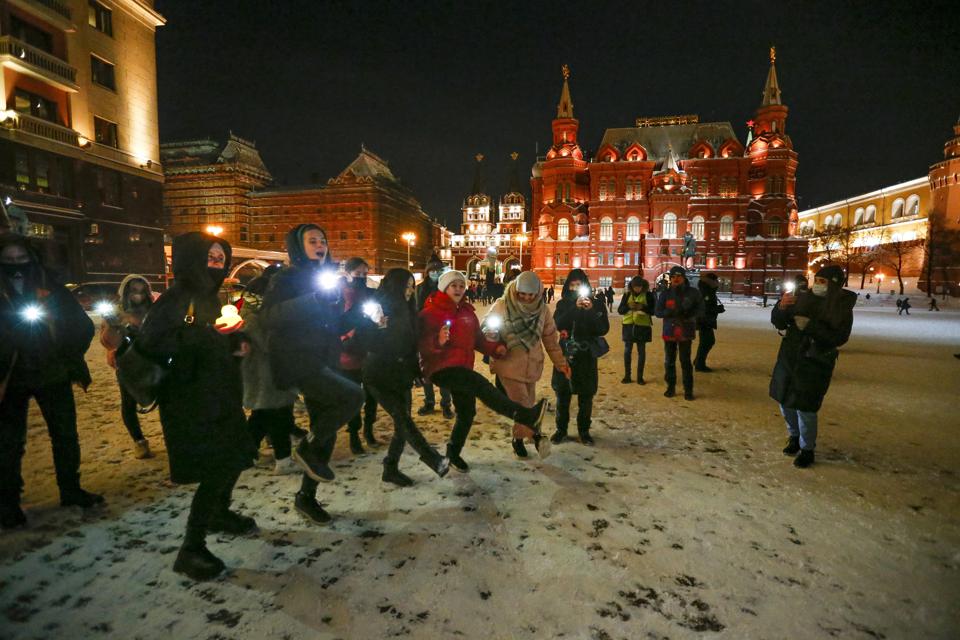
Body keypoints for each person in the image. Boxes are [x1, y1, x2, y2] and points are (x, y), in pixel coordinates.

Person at [136, 232, 255, 580]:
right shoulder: (176, 299)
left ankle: (219, 513)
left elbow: (213, 334)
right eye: (209, 257)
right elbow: (157, 343)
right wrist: (212, 335)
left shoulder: (207, 297)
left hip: (220, 395)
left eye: (220, 258)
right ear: (191, 260)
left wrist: (237, 341)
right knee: (217, 467)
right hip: (191, 401)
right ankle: (191, 548)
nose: (216, 264)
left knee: (236, 456)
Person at [263, 224, 364, 525]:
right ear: (298, 246)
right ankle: (305, 447)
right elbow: (269, 316)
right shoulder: (286, 278)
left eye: (323, 240)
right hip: (298, 360)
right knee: (353, 396)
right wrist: (313, 299)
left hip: (325, 359)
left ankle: (306, 497)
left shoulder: (328, 280)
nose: (320, 245)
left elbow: (332, 325)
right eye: (312, 240)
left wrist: (360, 316)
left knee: (325, 431)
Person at [0, 233, 102, 530]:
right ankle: (8, 503)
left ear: (32, 259)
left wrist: (65, 355)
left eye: (21, 258)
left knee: (65, 435)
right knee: (9, 442)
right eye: (8, 260)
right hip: (11, 377)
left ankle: (71, 489)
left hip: (51, 372)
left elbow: (80, 325)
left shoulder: (50, 286)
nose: (16, 265)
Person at [419, 270, 547, 472]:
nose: (458, 289)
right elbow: (421, 345)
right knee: (482, 385)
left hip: (462, 368)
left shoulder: (467, 312)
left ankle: (453, 454)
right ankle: (525, 415)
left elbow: (478, 339)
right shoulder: (430, 312)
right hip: (441, 367)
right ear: (444, 288)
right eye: (454, 286)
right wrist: (438, 341)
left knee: (467, 411)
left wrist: (495, 349)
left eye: (461, 286)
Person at [357, 268, 449, 486]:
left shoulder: (409, 310)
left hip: (401, 374)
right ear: (394, 285)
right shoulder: (378, 306)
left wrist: (416, 372)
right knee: (402, 419)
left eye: (411, 286)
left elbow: (410, 345)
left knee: (402, 422)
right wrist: (374, 325)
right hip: (378, 373)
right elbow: (362, 340)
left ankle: (390, 467)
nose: (409, 291)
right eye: (405, 286)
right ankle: (432, 458)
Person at [769, 265, 856, 468]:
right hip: (790, 357)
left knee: (805, 407)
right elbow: (779, 322)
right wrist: (781, 307)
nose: (817, 284)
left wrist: (811, 326)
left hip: (815, 362)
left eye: (822, 282)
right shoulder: (802, 297)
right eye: (816, 280)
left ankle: (807, 448)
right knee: (784, 400)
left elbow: (839, 337)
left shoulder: (841, 307)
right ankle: (794, 436)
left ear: (834, 285)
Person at [483, 271, 570, 459]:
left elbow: (550, 339)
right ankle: (537, 437)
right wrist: (492, 337)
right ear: (516, 290)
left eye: (531, 294)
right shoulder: (502, 305)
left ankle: (518, 439)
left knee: (528, 405)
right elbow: (486, 328)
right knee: (522, 403)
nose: (527, 298)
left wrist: (561, 363)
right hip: (508, 364)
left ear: (538, 293)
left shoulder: (542, 310)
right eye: (523, 293)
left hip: (532, 365)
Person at [239, 264, 301, 475]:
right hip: (266, 374)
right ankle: (283, 460)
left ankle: (246, 454)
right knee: (278, 416)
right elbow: (266, 343)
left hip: (267, 373)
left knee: (261, 417)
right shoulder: (253, 316)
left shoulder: (251, 312)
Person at [549, 269, 610, 445]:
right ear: (568, 286)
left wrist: (591, 311)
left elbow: (602, 328)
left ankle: (584, 431)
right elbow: (558, 324)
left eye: (579, 285)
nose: (576, 288)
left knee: (586, 395)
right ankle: (561, 430)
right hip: (566, 354)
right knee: (563, 394)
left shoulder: (597, 304)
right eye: (572, 285)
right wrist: (574, 308)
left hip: (586, 355)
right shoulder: (563, 304)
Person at [99, 274, 156, 459]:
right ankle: (139, 441)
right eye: (133, 290)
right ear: (125, 292)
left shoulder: (154, 310)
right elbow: (108, 342)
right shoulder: (117, 313)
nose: (138, 295)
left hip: (154, 361)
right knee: (129, 402)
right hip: (127, 363)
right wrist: (114, 326)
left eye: (142, 291)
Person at [338, 257, 379, 454]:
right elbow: (334, 322)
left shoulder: (370, 294)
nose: (361, 277)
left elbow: (377, 317)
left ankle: (369, 429)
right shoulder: (338, 295)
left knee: (372, 396)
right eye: (357, 274)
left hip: (368, 352)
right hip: (347, 354)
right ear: (347, 273)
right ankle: (354, 433)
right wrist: (345, 338)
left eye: (364, 274)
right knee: (353, 397)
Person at [655, 265, 704, 400]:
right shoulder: (665, 294)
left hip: (685, 331)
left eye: (679, 276)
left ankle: (688, 390)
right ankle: (670, 387)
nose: (676, 279)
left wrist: (689, 313)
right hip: (669, 331)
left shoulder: (693, 293)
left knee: (685, 361)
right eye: (673, 277)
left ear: (684, 277)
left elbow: (701, 310)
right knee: (669, 361)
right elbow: (657, 312)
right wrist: (668, 312)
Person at [415, 254, 453, 419]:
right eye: (432, 270)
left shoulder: (446, 288)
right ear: (427, 271)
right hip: (425, 332)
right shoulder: (420, 288)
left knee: (444, 370)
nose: (435, 273)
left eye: (438, 270)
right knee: (427, 370)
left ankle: (446, 404)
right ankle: (429, 402)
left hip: (444, 331)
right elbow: (416, 309)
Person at [617, 276, 655, 384]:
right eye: (635, 287)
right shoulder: (627, 295)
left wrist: (642, 307)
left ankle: (640, 377)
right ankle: (627, 376)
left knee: (641, 352)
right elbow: (620, 310)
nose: (637, 289)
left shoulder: (648, 295)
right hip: (628, 326)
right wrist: (628, 306)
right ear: (631, 286)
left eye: (639, 287)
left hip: (642, 327)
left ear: (643, 286)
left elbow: (653, 311)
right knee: (627, 351)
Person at [694, 272, 725, 372]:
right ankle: (699, 364)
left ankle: (698, 361)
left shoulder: (708, 290)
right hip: (704, 320)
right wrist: (717, 309)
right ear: (711, 281)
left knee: (706, 342)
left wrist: (716, 308)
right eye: (716, 280)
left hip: (706, 320)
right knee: (707, 342)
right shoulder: (706, 292)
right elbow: (705, 308)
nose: (717, 283)